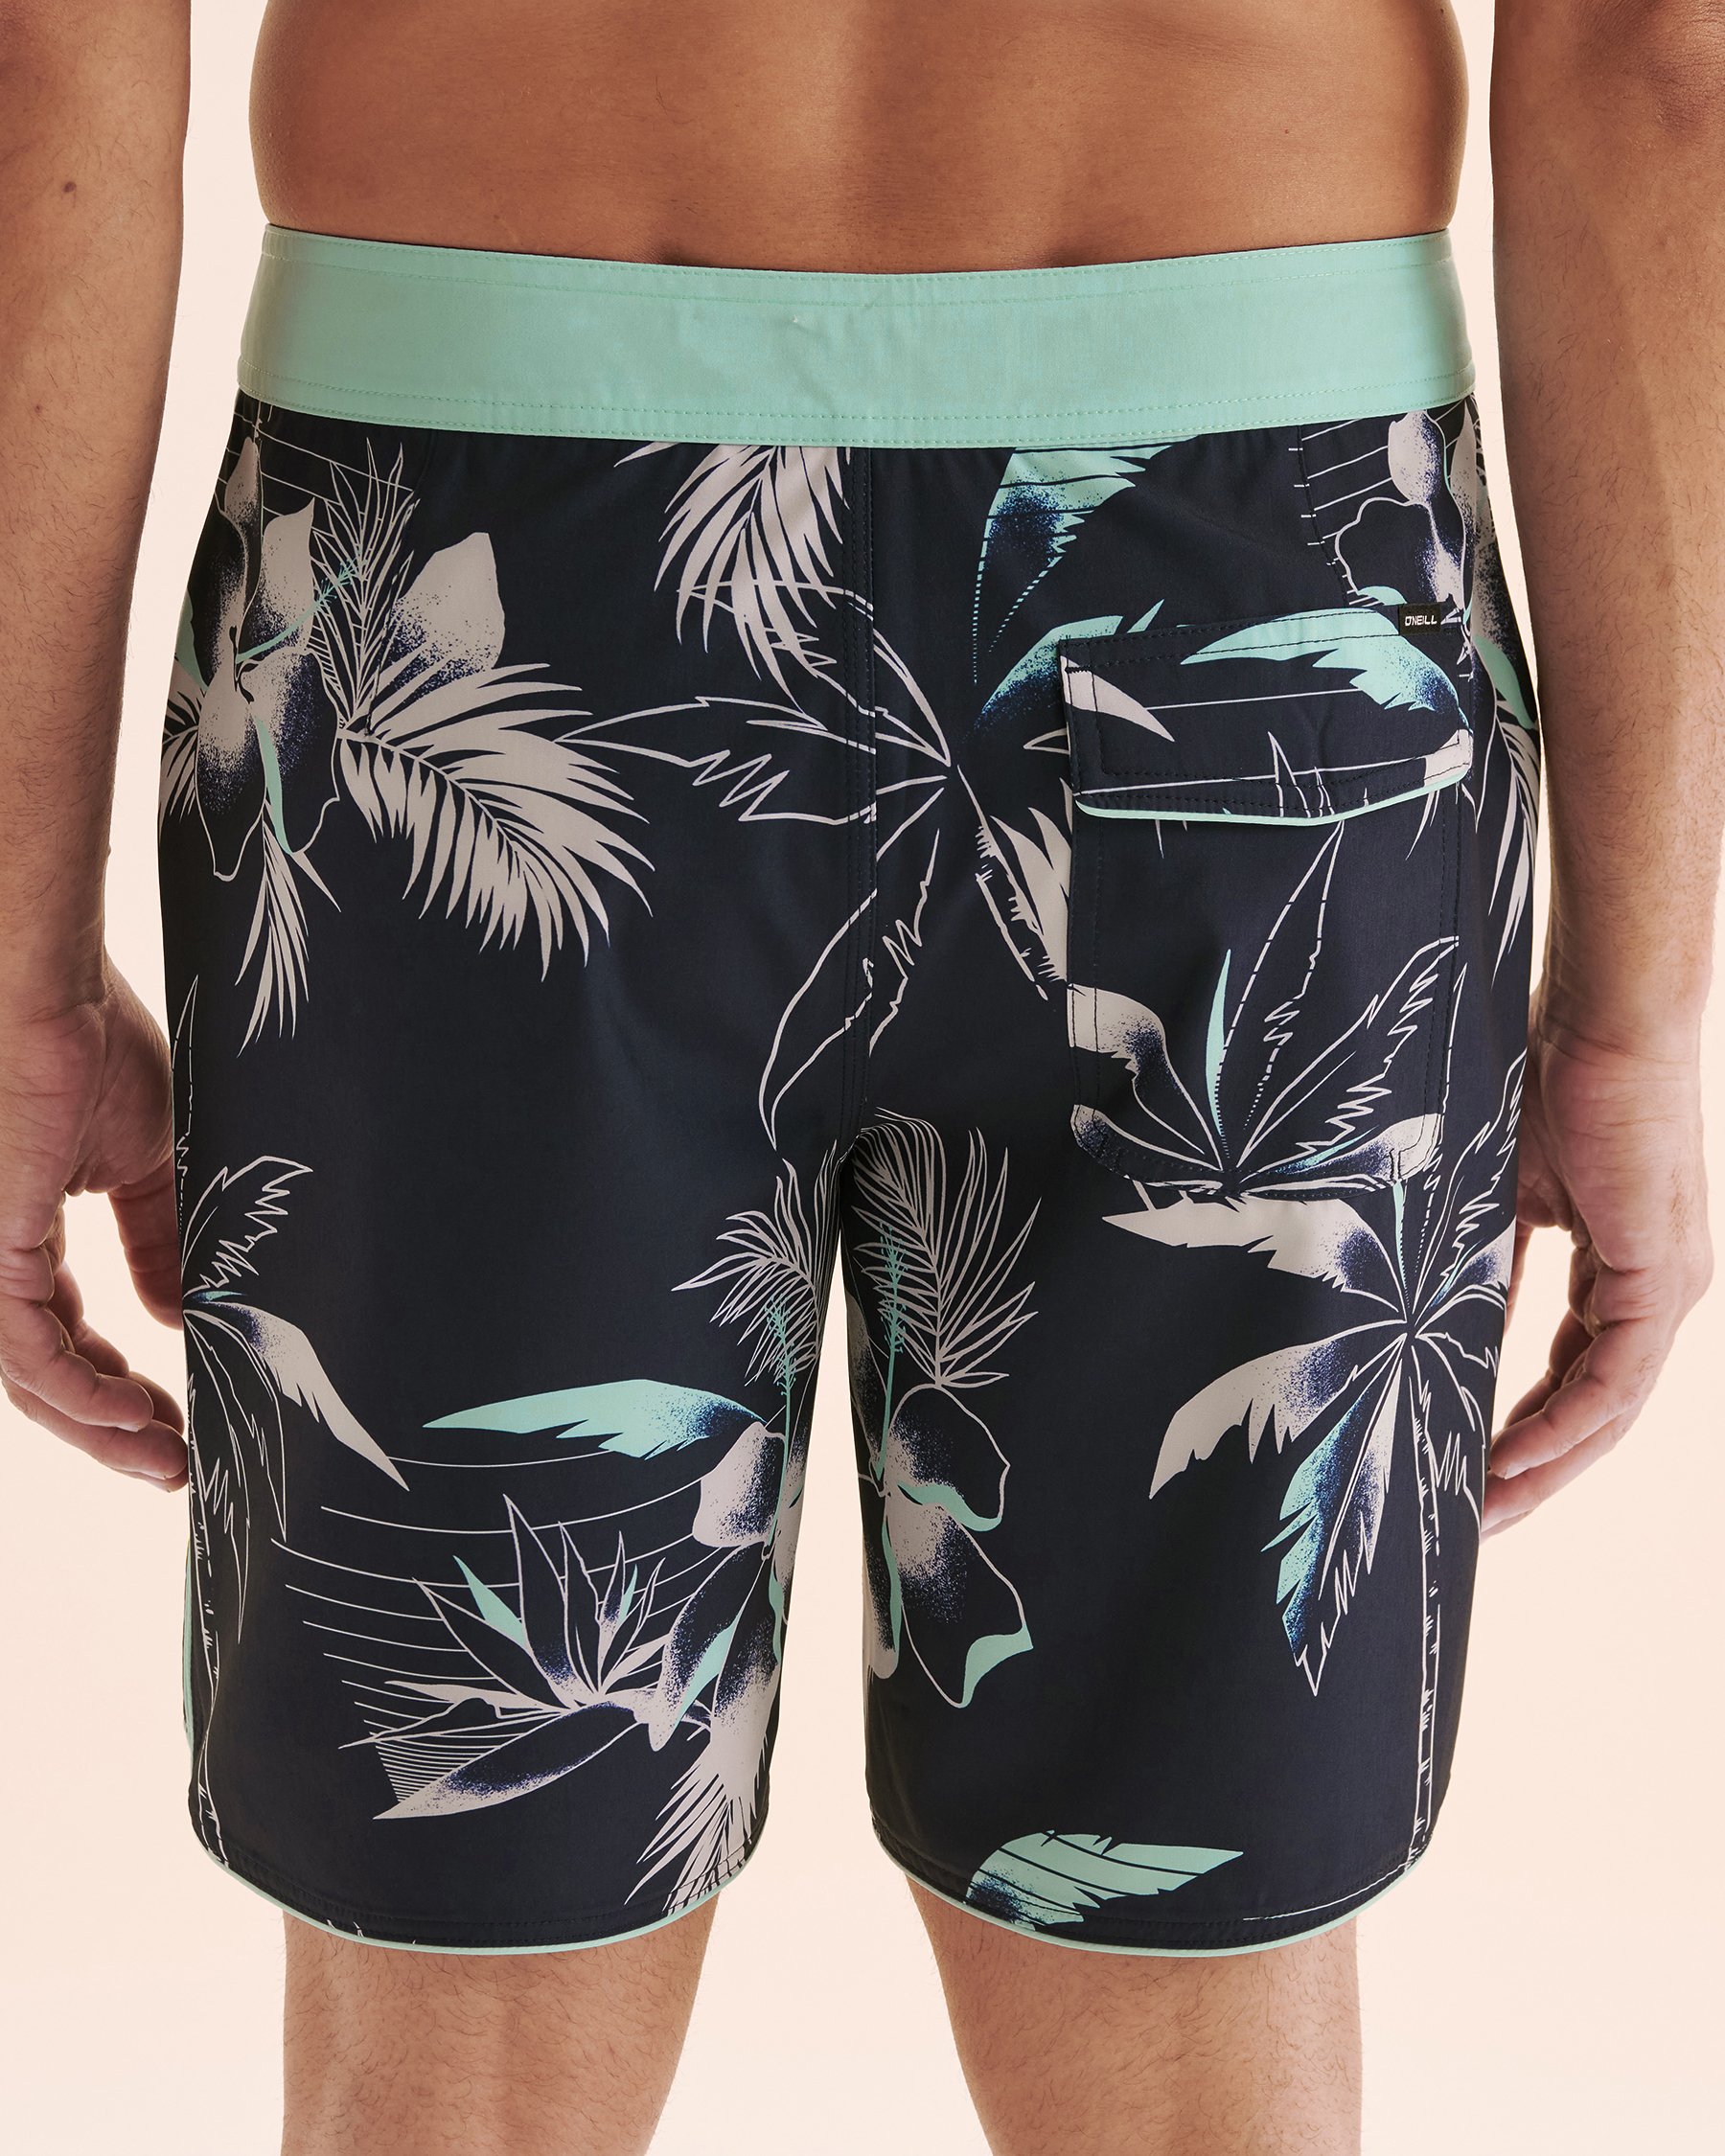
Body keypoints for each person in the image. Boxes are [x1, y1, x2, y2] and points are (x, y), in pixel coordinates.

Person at [1, 3, 1718, 2151]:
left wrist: (19, 970)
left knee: (462, 2058)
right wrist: (1640, 1012)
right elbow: (1656, 57)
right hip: (1253, 618)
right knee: (1195, 2056)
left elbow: (51, 52)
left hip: (471, 631)